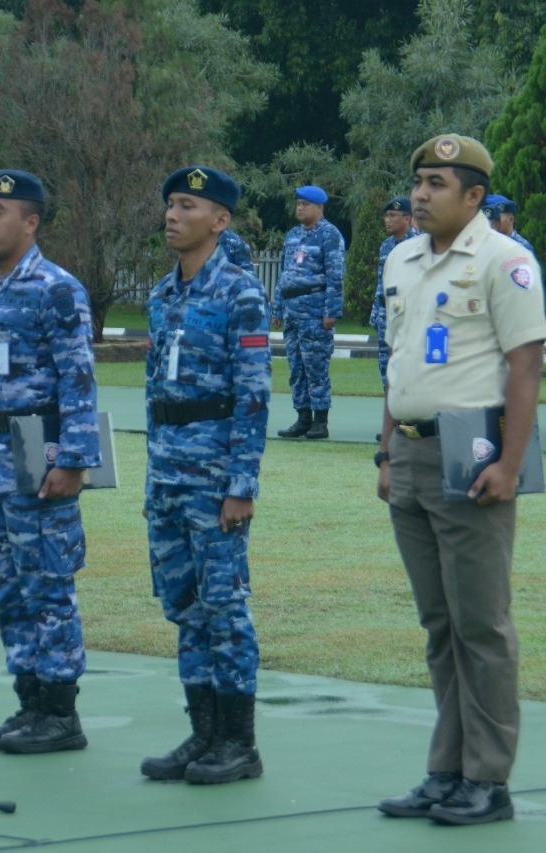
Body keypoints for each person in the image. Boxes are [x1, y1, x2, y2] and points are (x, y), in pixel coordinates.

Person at [375, 134, 546, 826]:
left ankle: (488, 778)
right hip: (412, 454)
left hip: (472, 454)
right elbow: (399, 360)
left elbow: (526, 367)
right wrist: (385, 453)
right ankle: (446, 769)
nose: (420, 195)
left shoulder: (505, 261)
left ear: (475, 196)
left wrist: (510, 462)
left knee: (481, 624)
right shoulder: (401, 257)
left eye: (437, 184)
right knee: (440, 624)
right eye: (419, 181)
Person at [0, 169, 102, 754]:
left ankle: (61, 713)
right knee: (9, 587)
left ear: (31, 222)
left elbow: (79, 379)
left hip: (40, 455)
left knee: (48, 585)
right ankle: (29, 704)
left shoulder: (56, 289)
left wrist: (74, 460)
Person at [141, 165, 271, 785]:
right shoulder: (162, 296)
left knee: (224, 608)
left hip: (215, 476)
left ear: (220, 220)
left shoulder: (240, 293)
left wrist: (241, 484)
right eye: (171, 204)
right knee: (184, 608)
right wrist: (153, 475)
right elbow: (154, 392)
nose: (173, 215)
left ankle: (239, 744)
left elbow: (253, 395)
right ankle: (203, 734)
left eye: (188, 205)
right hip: (168, 474)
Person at [273, 185, 345, 440]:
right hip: (292, 311)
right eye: (298, 204)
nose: (300, 208)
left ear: (319, 207)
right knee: (296, 368)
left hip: (315, 312)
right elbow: (284, 274)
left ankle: (320, 421)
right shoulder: (293, 235)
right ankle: (302, 418)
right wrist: (277, 307)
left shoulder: (330, 235)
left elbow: (336, 277)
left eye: (305, 204)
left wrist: (331, 312)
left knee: (316, 367)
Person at [369, 196, 416, 391]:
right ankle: (390, 406)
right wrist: (375, 313)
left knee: (407, 366)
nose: (387, 220)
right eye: (386, 216)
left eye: (393, 215)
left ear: (407, 218)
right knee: (385, 366)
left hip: (408, 314)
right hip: (385, 314)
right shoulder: (386, 246)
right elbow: (381, 281)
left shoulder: (419, 244)